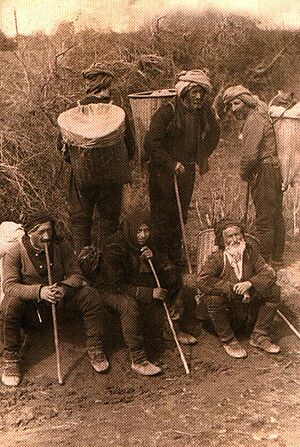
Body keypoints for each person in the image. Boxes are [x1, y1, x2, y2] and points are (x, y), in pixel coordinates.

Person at [1, 210, 108, 387]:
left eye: (49, 230)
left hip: (60, 304)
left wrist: (64, 288)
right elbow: (9, 286)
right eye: (40, 232)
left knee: (90, 295)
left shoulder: (61, 246)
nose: (46, 236)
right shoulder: (15, 252)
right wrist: (40, 291)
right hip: (33, 310)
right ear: (29, 232)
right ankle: (11, 359)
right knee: (9, 304)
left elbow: (76, 274)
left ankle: (96, 347)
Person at [80, 212, 197, 375]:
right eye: (138, 231)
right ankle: (138, 358)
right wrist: (149, 293)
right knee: (128, 304)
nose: (142, 235)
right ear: (131, 230)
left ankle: (172, 330)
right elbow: (117, 284)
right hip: (109, 288)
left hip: (133, 281)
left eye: (146, 230)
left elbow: (162, 265)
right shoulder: (114, 246)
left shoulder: (149, 241)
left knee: (173, 277)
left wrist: (153, 258)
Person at [144, 69, 220, 269]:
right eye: (194, 92)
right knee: (162, 214)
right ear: (185, 91)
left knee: (181, 213)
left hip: (187, 170)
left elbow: (214, 133)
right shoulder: (167, 111)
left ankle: (176, 254)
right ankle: (162, 257)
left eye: (201, 92)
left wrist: (200, 154)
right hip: (163, 171)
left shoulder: (202, 112)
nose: (198, 96)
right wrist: (171, 163)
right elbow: (151, 143)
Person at [57, 63, 135, 255]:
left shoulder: (74, 110)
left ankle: (83, 271)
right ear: (108, 86)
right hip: (111, 178)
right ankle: (109, 269)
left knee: (81, 223)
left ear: (89, 85)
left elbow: (62, 146)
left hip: (81, 179)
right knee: (109, 223)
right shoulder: (116, 112)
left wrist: (79, 163)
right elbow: (131, 147)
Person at [197, 219, 281, 359]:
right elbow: (202, 280)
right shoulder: (217, 258)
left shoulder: (250, 254)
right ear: (222, 240)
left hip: (245, 311)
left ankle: (259, 335)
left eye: (238, 234)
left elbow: (270, 273)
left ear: (243, 236)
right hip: (225, 313)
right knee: (212, 298)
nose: (235, 239)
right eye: (230, 236)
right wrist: (231, 287)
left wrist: (250, 283)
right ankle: (229, 340)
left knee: (274, 290)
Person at [222, 85, 285, 266]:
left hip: (264, 171)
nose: (233, 109)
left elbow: (250, 155)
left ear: (247, 102)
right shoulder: (260, 116)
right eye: (231, 105)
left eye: (236, 103)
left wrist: (244, 172)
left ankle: (263, 263)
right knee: (275, 214)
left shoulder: (254, 120)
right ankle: (277, 257)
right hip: (273, 170)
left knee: (265, 219)